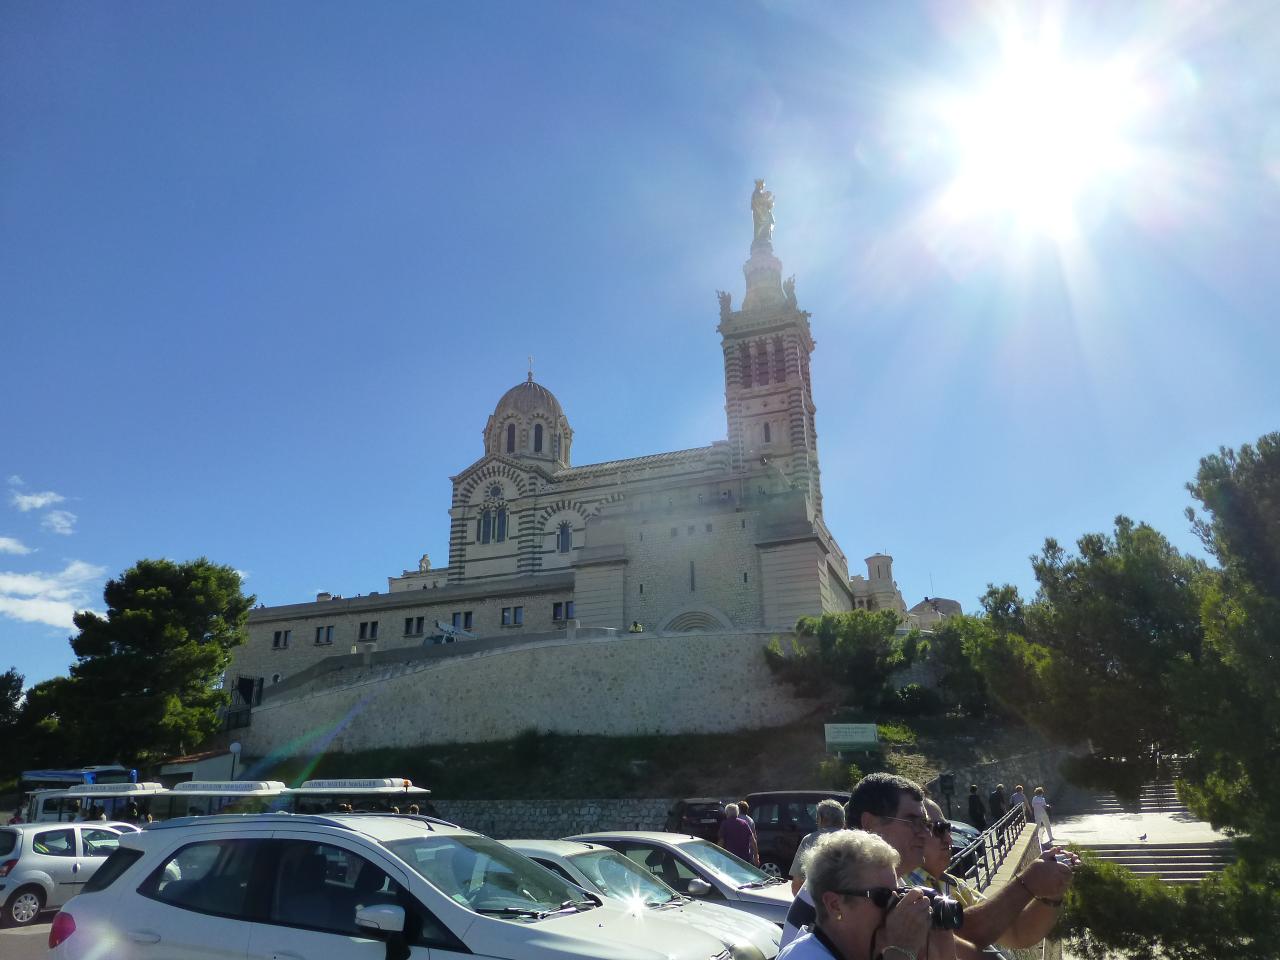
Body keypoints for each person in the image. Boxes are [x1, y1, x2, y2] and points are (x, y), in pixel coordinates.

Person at [913, 798, 1076, 953]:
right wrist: (1028, 881)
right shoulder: (904, 888)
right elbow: (958, 938)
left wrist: (1051, 891)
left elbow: (1017, 933)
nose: (949, 839)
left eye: (948, 829)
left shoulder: (955, 885)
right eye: (938, 829)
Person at [777, 829, 955, 960]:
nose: (895, 906)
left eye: (898, 894)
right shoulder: (805, 956)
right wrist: (902, 950)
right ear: (835, 905)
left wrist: (940, 940)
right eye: (882, 896)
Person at [781, 799, 846, 949]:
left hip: (816, 921)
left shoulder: (810, 840)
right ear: (843, 820)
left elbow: (797, 885)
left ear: (821, 819)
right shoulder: (856, 841)